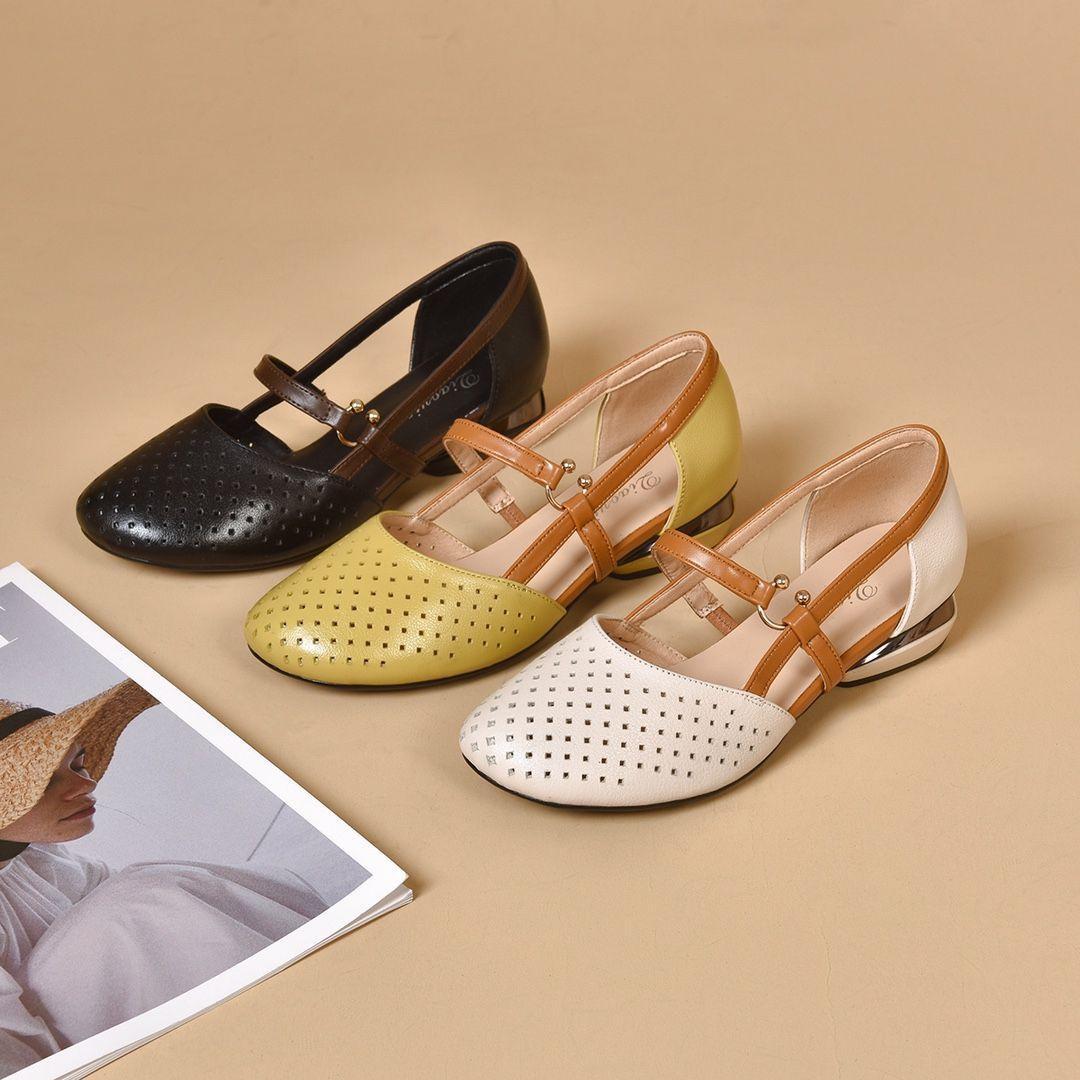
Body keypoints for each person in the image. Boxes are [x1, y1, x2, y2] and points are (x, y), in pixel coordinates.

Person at [0, 680, 325, 1075]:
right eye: (46, 781)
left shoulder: (36, 859)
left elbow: (124, 909)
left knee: (148, 891)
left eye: (78, 763)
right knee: (140, 899)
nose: (87, 784)